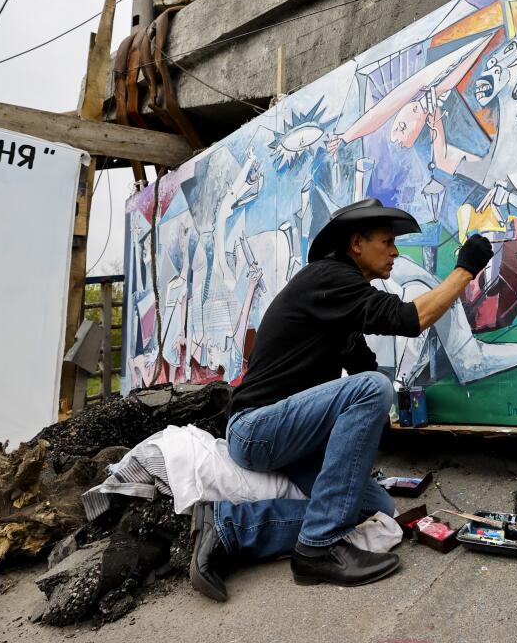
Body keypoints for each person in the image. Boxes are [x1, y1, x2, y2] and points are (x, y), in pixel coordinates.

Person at [189, 198, 495, 599]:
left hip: (289, 438)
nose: (395, 252)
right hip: (256, 428)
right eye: (386, 242)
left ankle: (231, 526)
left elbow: (364, 365)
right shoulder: (327, 278)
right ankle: (316, 549)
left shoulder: (341, 302)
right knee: (372, 388)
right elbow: (410, 320)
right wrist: (465, 270)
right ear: (356, 244)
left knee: (376, 509)